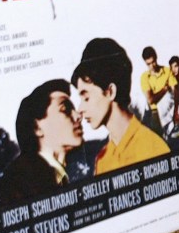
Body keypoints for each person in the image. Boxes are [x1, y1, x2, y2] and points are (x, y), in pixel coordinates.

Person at [71, 37, 169, 174]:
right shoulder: (102, 160)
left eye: (86, 97)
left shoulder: (153, 149)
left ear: (110, 91)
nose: (80, 109)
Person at [0, 79, 84, 203]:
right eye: (65, 109)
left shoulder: (69, 168)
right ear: (37, 127)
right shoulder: (20, 178)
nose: (78, 116)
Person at [138, 46, 171, 134]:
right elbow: (151, 100)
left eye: (153, 62)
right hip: (154, 112)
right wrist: (165, 89)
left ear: (156, 58)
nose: (152, 66)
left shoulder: (167, 71)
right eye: (148, 64)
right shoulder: (144, 77)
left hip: (169, 108)